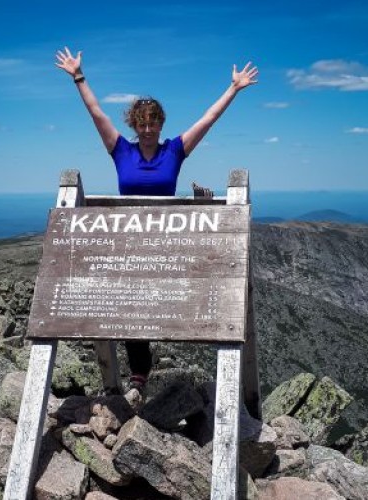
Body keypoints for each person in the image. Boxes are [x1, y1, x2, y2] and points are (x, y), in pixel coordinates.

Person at [55, 46, 258, 392]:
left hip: (166, 240)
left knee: (169, 299)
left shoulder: (174, 150)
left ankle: (195, 368)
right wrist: (78, 76)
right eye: (142, 123)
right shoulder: (121, 150)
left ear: (161, 123)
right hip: (128, 240)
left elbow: (208, 119)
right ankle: (138, 373)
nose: (148, 128)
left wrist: (233, 89)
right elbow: (96, 112)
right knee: (131, 303)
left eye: (153, 122)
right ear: (134, 124)